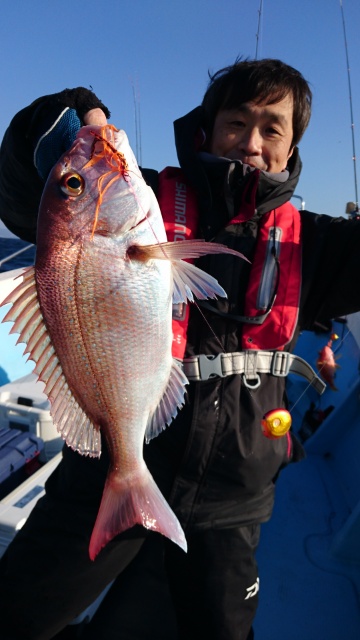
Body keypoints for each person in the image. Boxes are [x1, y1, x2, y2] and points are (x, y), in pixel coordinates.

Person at [1, 57, 360, 640]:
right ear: (207, 127)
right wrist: (83, 116)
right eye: (236, 122)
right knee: (16, 615)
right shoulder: (135, 195)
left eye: (272, 128)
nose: (250, 142)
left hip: (231, 503)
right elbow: (23, 176)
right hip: (107, 469)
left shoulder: (317, 243)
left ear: (293, 146)